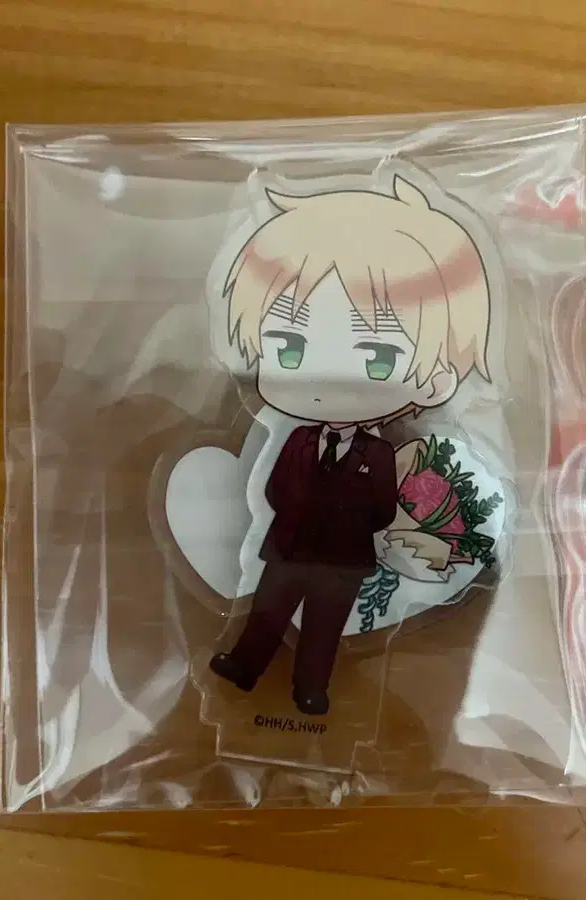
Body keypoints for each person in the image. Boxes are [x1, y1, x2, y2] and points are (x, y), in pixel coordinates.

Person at [209, 174, 492, 715]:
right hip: (288, 548)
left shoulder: (378, 454)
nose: (326, 382)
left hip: (342, 559)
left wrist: (343, 520)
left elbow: (382, 507)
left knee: (324, 626)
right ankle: (243, 665)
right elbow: (272, 488)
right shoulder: (296, 438)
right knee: (267, 612)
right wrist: (297, 515)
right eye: (289, 347)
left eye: (379, 358)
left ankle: (311, 688)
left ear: (434, 379)